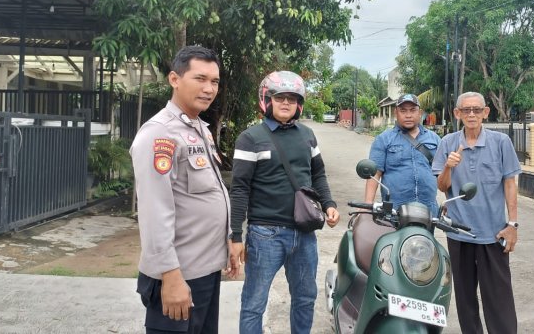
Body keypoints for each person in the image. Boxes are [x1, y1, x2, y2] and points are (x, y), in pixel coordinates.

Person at [130, 45, 238, 334]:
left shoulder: (198, 128)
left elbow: (209, 194)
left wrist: (227, 239)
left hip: (205, 271)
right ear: (174, 79)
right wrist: (170, 276)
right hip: (179, 276)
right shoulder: (159, 133)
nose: (209, 88)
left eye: (214, 81)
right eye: (200, 78)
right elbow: (155, 213)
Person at [229, 70, 340, 334]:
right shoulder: (250, 138)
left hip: (304, 234)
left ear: (299, 104)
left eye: (292, 98)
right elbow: (240, 189)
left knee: (305, 299)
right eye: (279, 97)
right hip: (265, 235)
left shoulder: (307, 135)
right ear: (267, 99)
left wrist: (329, 204)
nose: (286, 103)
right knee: (254, 303)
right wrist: (235, 235)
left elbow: (318, 175)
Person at [432, 91, 521, 334]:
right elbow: (442, 186)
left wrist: (512, 225)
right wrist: (449, 167)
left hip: (493, 233)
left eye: (477, 110)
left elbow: (510, 184)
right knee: (465, 299)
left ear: (486, 113)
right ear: (457, 113)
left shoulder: (501, 143)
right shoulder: (447, 143)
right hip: (459, 233)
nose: (472, 114)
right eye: (466, 110)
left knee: (499, 299)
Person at [365, 93, 441, 215]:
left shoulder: (435, 139)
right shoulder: (384, 139)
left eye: (413, 110)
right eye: (403, 111)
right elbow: (375, 173)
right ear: (396, 113)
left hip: (427, 209)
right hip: (394, 210)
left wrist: (450, 202)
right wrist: (367, 205)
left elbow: (443, 173)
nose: (408, 115)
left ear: (420, 113)